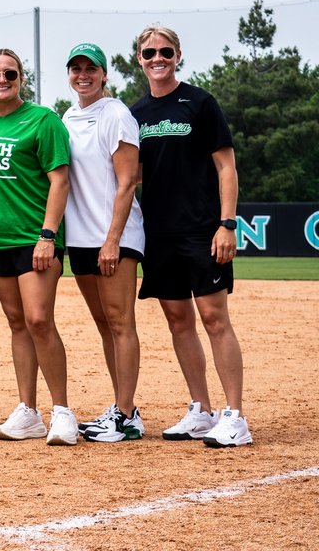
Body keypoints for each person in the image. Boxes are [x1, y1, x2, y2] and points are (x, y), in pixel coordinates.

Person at [130, 25, 251, 447]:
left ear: (178, 55)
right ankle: (201, 409)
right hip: (159, 233)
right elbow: (132, 173)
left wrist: (227, 223)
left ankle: (234, 416)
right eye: (149, 53)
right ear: (139, 59)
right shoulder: (137, 113)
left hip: (203, 229)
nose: (157, 58)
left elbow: (226, 167)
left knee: (215, 319)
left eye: (165, 51)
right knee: (178, 322)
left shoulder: (200, 102)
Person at [0, 49, 78, 445]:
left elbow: (60, 180)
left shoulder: (43, 120)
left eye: (10, 73)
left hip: (35, 236)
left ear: (21, 78)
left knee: (38, 320)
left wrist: (48, 235)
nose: (2, 80)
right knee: (17, 323)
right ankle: (28, 411)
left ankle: (62, 411)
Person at [61, 43, 146, 442]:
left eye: (90, 68)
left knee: (120, 322)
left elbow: (129, 180)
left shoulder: (116, 113)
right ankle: (121, 407)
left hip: (114, 237)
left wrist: (112, 240)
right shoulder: (68, 115)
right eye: (76, 68)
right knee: (103, 325)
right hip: (80, 238)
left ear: (104, 73)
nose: (83, 74)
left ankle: (126, 415)